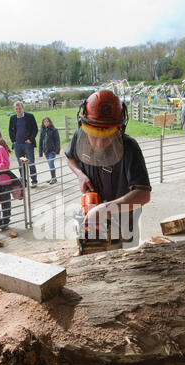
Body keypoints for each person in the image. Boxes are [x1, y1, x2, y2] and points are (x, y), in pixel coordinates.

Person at [65, 89, 151, 248]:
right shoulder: (80, 136)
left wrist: (106, 208)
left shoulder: (130, 148)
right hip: (93, 216)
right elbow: (71, 159)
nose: (98, 144)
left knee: (126, 264)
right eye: (93, 135)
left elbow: (144, 195)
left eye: (105, 137)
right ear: (84, 126)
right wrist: (80, 174)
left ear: (119, 129)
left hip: (124, 220)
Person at [8, 101, 38, 188]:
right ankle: (24, 182)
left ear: (22, 108)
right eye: (16, 109)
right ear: (14, 109)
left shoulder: (29, 116)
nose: (18, 110)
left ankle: (34, 181)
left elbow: (35, 129)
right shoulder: (13, 118)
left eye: (19, 108)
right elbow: (10, 131)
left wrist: (31, 139)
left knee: (30, 163)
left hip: (27, 145)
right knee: (22, 163)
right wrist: (13, 141)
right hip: (18, 145)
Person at [39, 117, 60, 184]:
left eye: (47, 121)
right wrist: (40, 152)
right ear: (43, 123)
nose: (46, 123)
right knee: (50, 164)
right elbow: (40, 141)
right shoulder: (42, 130)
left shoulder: (54, 130)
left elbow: (57, 141)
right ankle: (52, 177)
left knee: (51, 163)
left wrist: (57, 150)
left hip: (52, 151)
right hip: (46, 151)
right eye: (44, 122)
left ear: (50, 122)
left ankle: (54, 179)